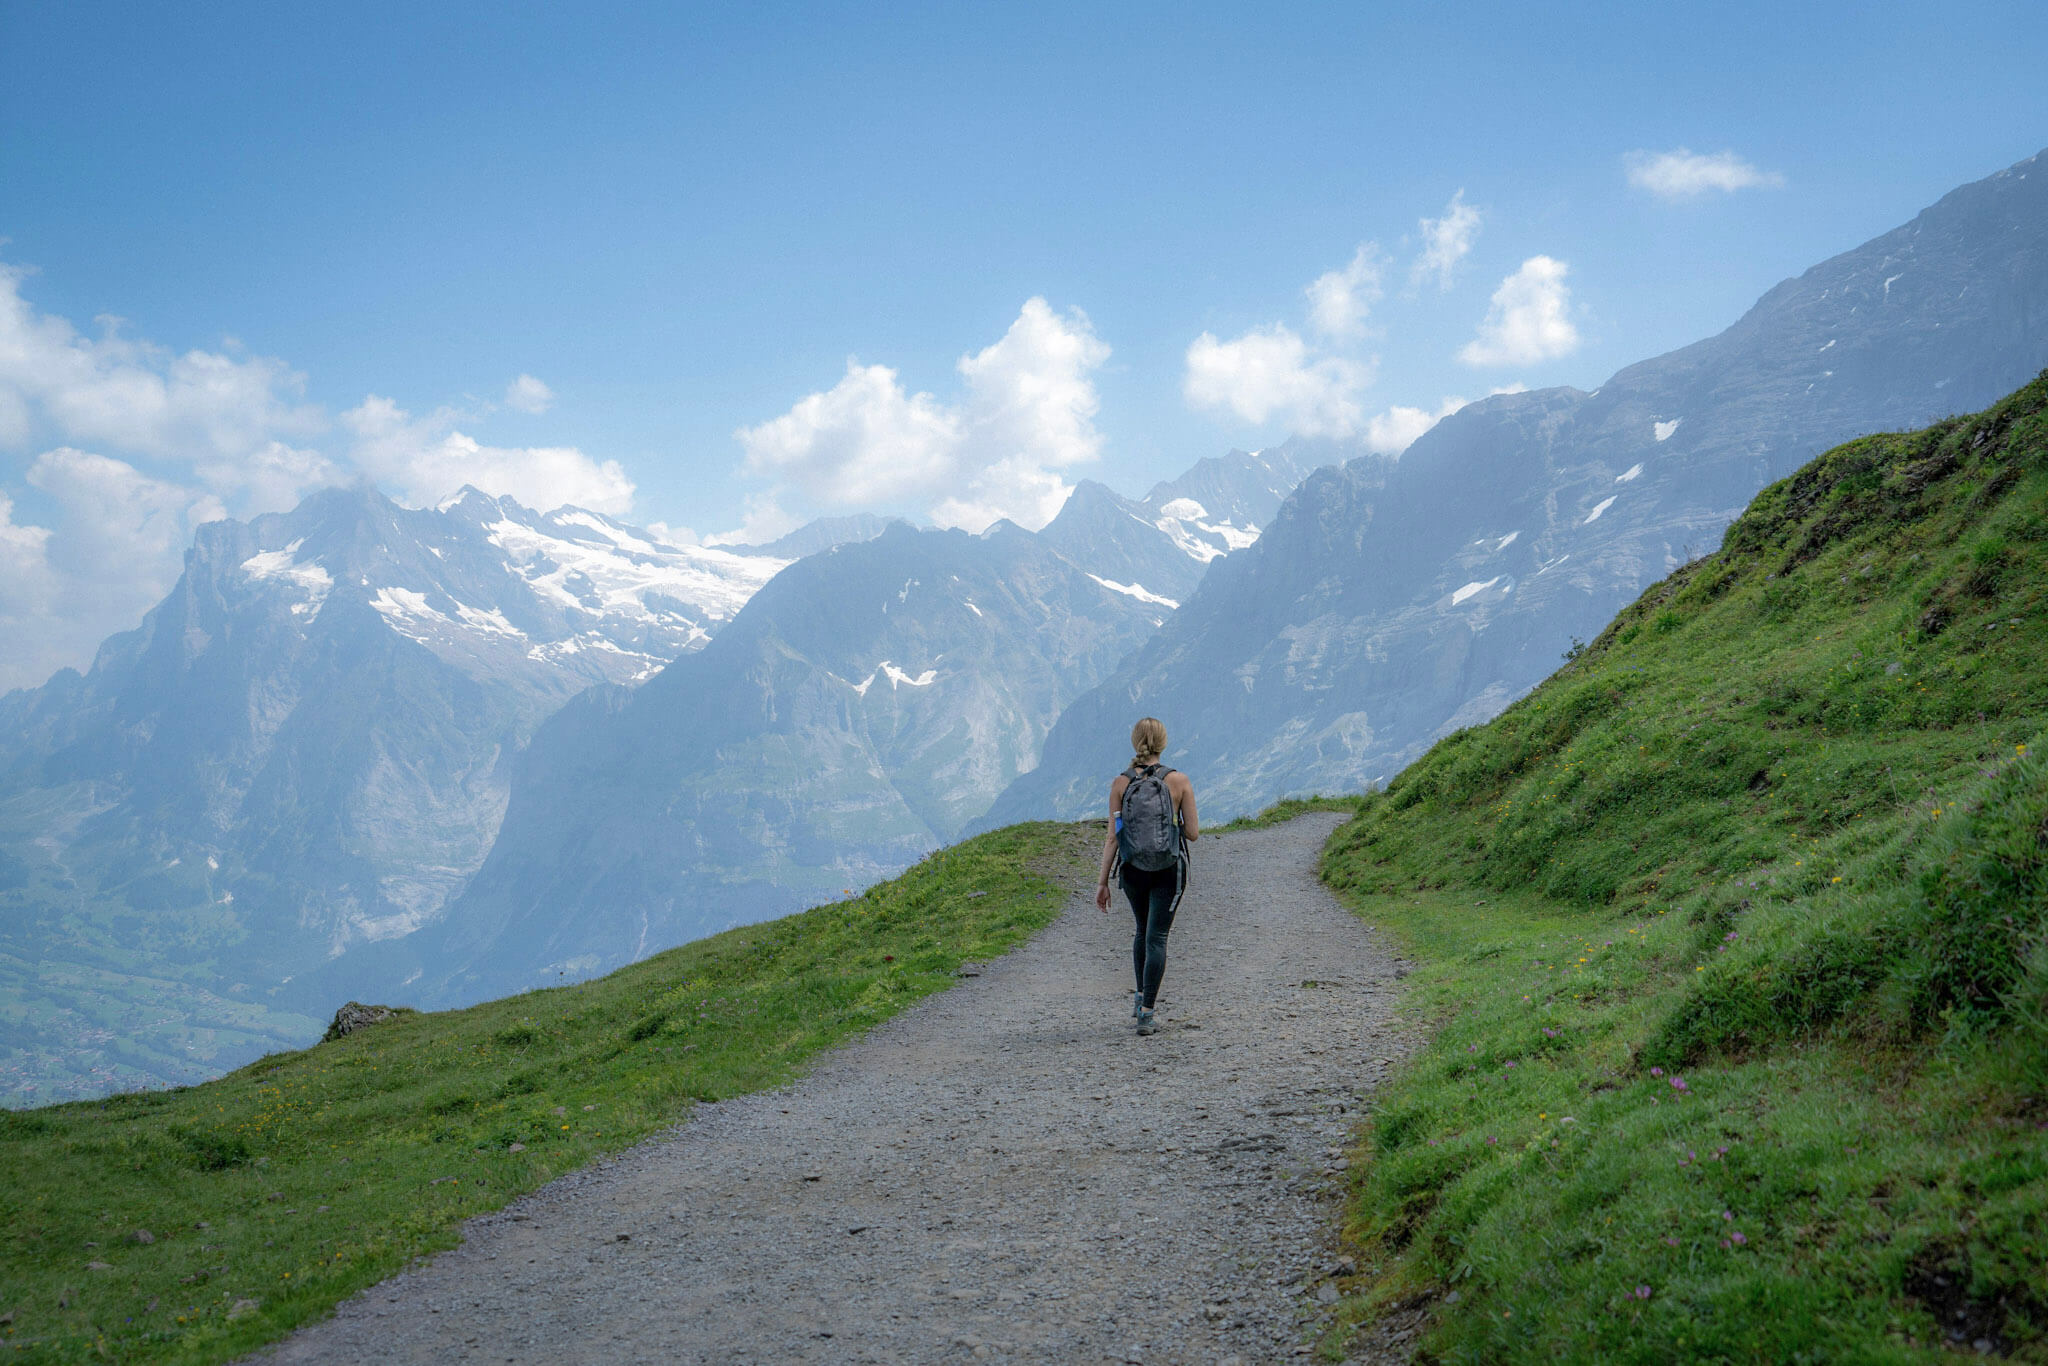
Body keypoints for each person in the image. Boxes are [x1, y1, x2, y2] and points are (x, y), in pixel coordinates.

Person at [1094, 717, 1199, 1035]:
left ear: (1134, 742)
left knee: (1141, 931)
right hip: (1169, 870)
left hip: (1133, 870)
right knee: (1157, 937)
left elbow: (1113, 837)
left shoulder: (1120, 784)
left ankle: (1140, 1000)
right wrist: (1170, 826)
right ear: (1164, 743)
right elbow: (1192, 833)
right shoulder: (1179, 781)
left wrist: (1102, 883)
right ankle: (1148, 1013)